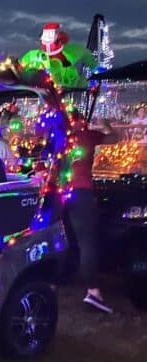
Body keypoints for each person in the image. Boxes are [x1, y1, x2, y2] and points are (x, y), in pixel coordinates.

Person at [67, 113, 113, 313]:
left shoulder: (59, 136)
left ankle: (49, 282)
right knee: (86, 241)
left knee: (56, 238)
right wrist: (107, 126)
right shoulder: (87, 136)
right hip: (80, 191)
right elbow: (114, 139)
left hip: (57, 192)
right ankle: (93, 292)